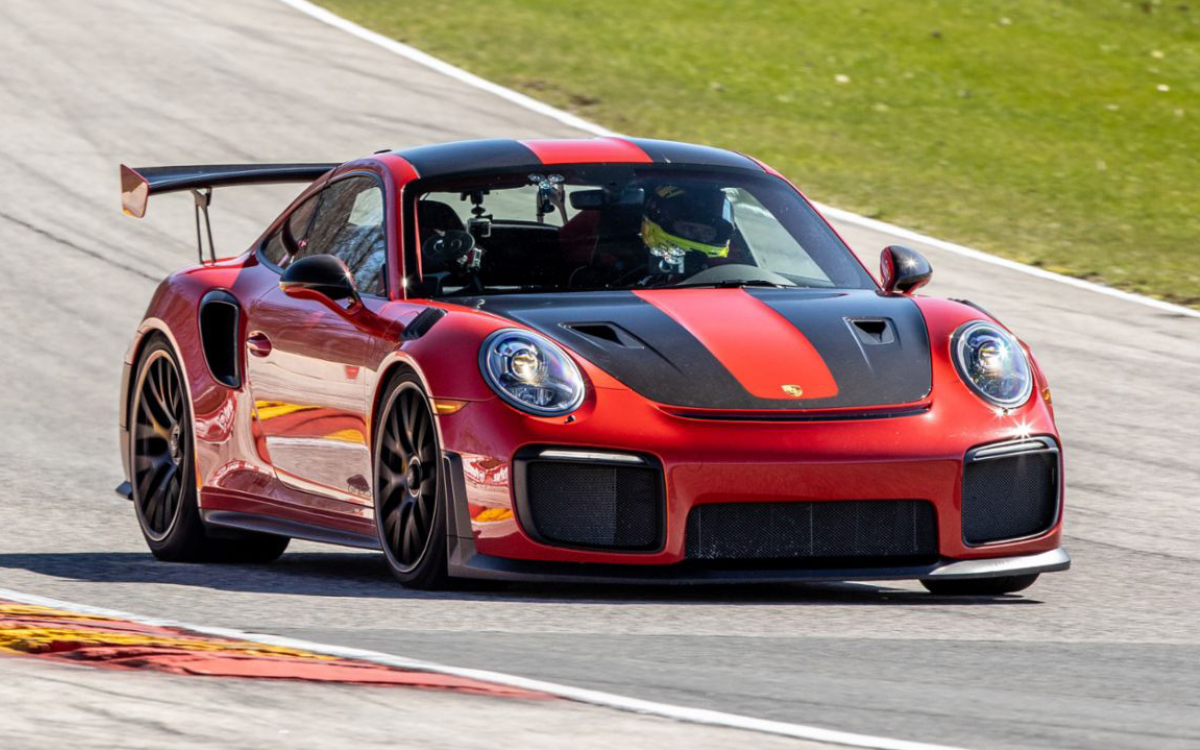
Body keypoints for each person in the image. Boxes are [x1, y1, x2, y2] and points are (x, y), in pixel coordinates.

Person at [640, 183, 734, 276]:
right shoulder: (632, 273)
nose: (701, 237)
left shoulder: (731, 274)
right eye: (690, 229)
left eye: (708, 233)